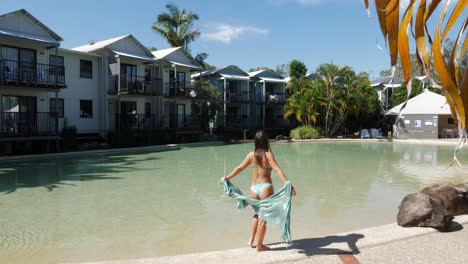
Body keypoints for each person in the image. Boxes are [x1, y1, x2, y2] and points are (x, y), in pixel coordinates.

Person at [224, 130, 296, 252]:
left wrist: (227, 178)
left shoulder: (251, 155)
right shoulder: (268, 155)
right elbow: (277, 169)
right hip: (265, 188)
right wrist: (289, 184)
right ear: (266, 141)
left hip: (253, 189)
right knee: (263, 218)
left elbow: (239, 168)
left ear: (255, 142)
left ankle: (251, 240)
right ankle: (260, 246)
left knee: (257, 214)